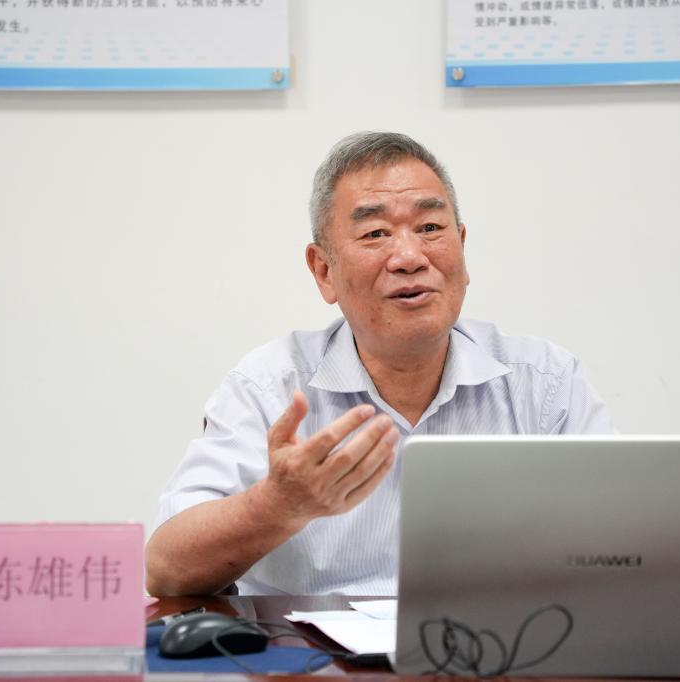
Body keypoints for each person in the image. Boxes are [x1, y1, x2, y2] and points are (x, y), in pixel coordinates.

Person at [145, 132, 613, 596]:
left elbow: (624, 543)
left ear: (462, 247)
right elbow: (166, 570)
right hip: (308, 645)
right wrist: (277, 505)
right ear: (324, 271)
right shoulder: (271, 387)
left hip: (503, 638)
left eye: (430, 228)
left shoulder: (544, 382)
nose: (410, 257)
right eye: (375, 234)